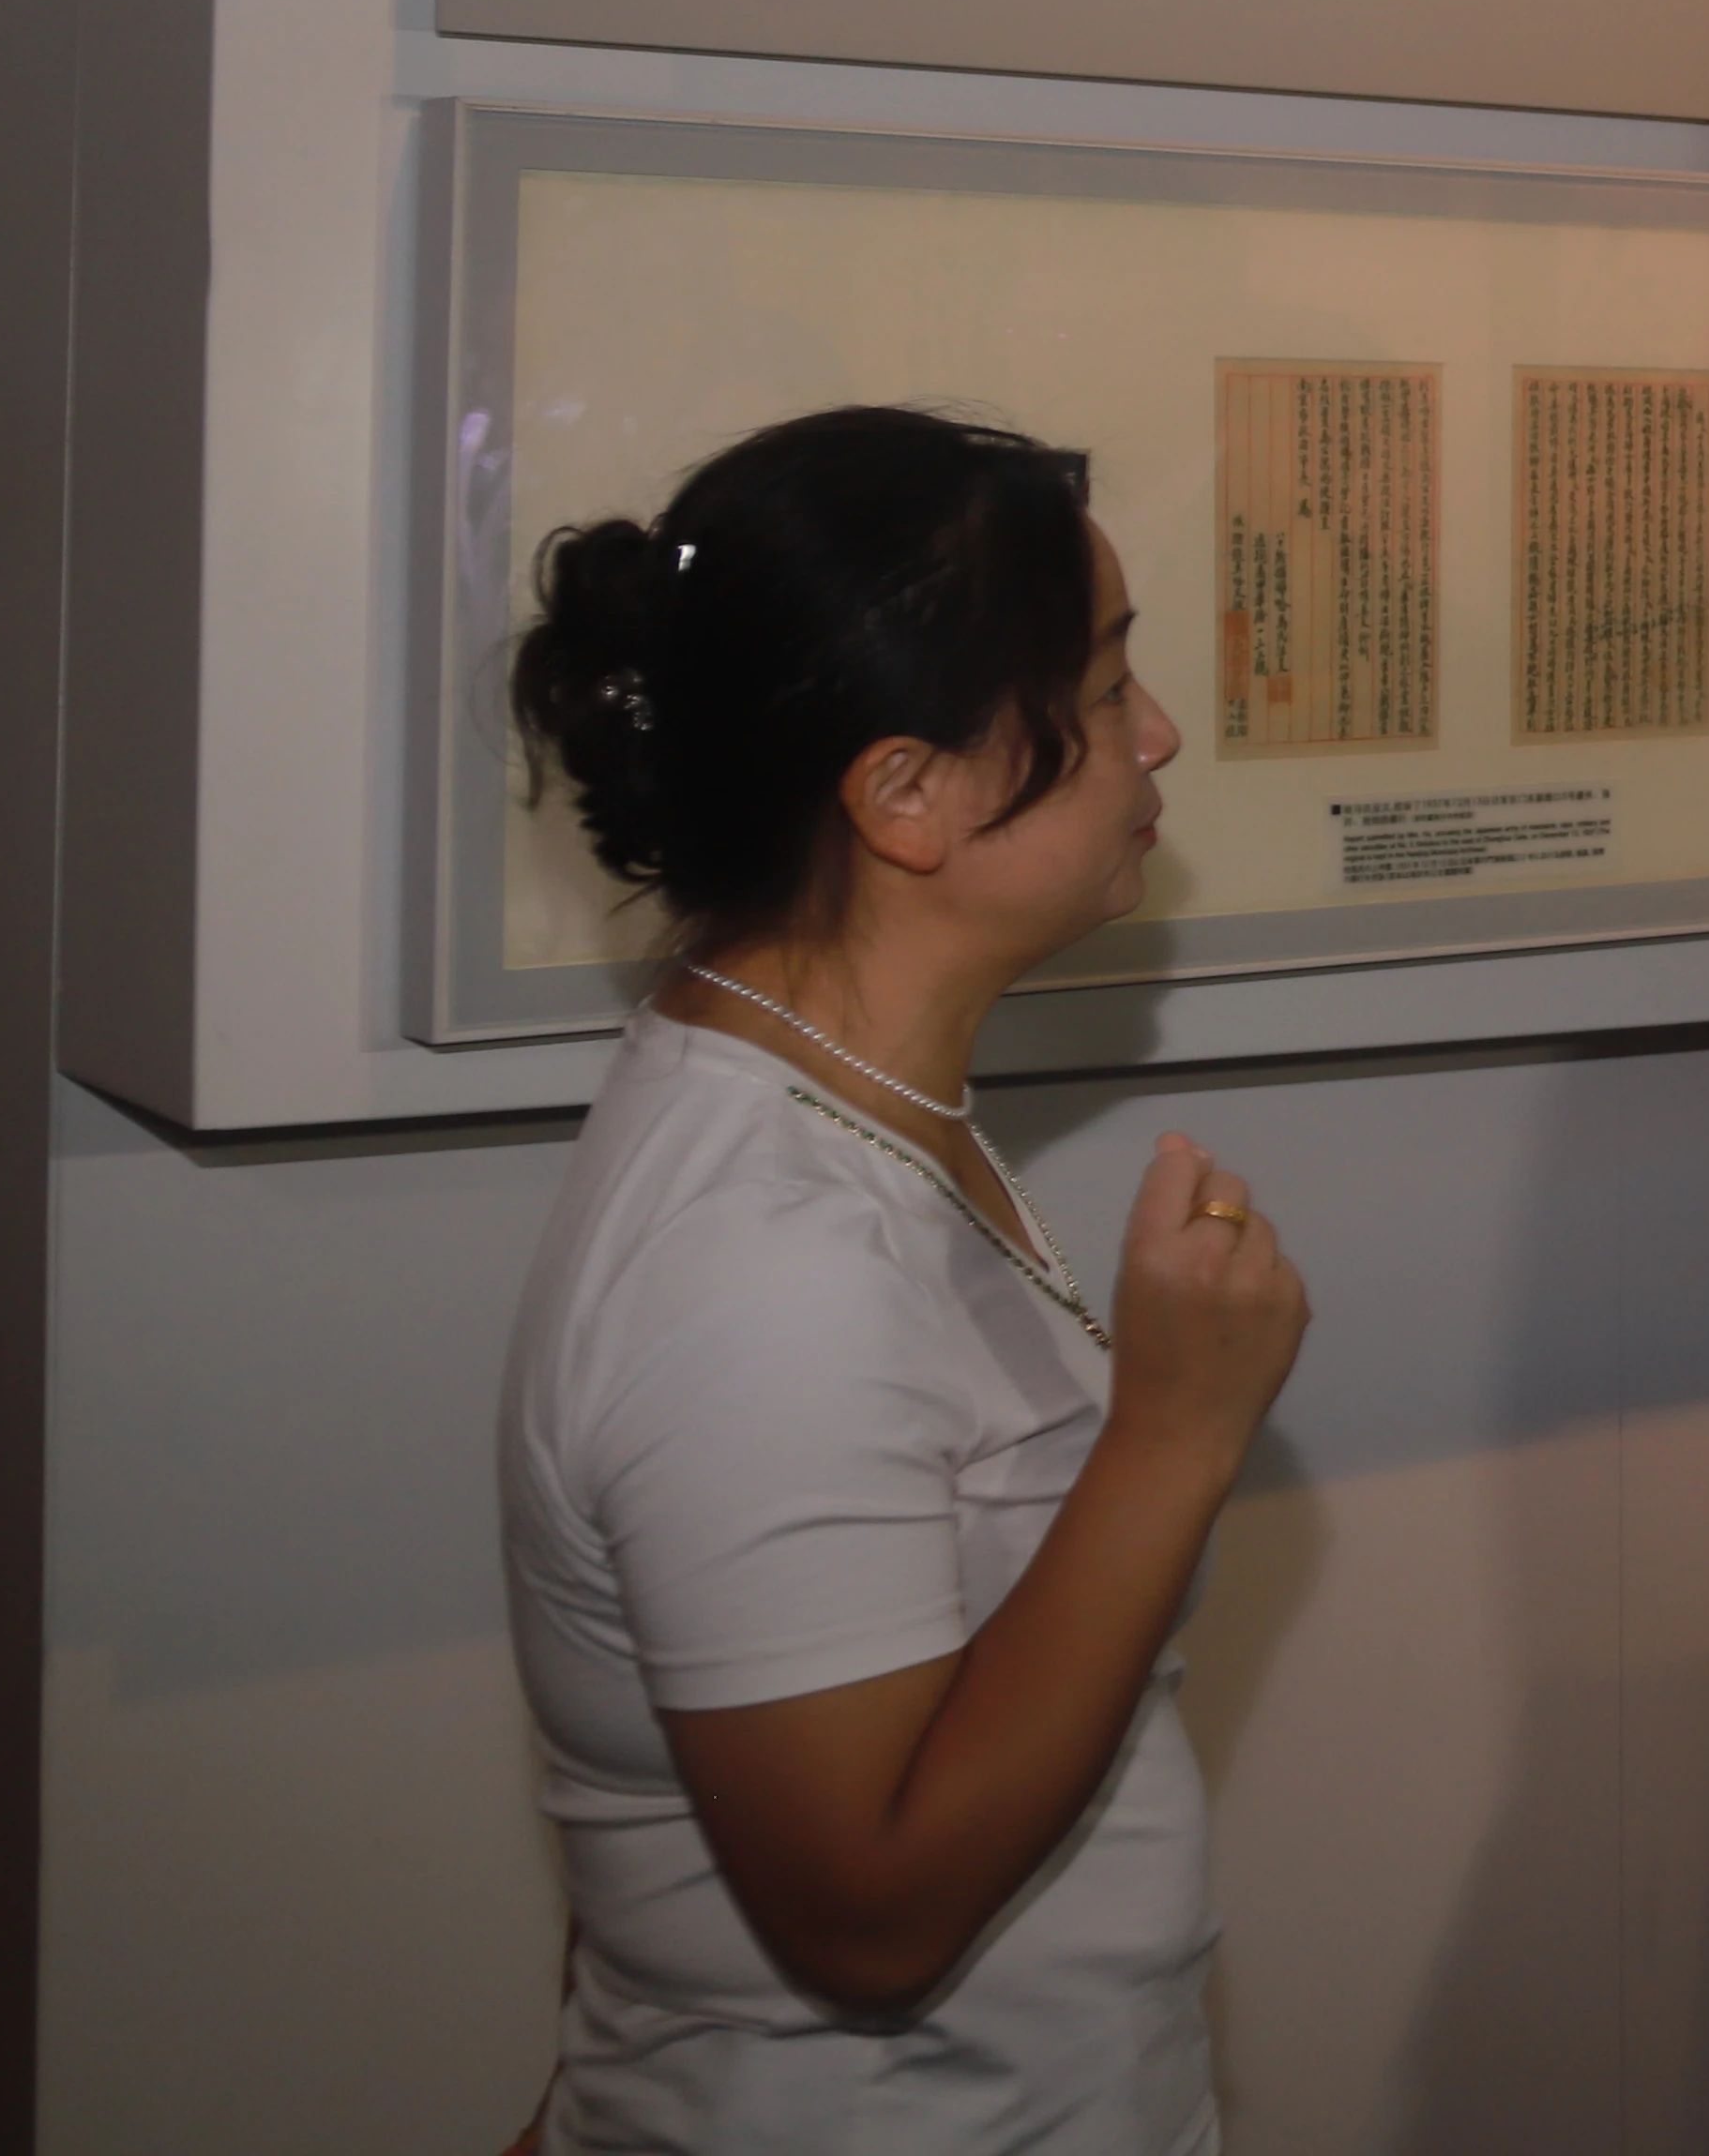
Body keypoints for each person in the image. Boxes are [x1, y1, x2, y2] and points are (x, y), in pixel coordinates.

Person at [495, 407, 1310, 2153]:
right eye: (1104, 688)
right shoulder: (765, 1269)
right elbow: (865, 1918)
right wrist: (1174, 1432)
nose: (1158, 733)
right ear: (905, 796)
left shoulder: (831, 1114)